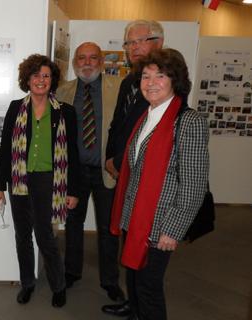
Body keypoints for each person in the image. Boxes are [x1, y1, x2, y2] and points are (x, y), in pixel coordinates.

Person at [109, 48, 209, 320]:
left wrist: (173, 230)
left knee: (148, 288)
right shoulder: (147, 116)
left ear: (175, 81)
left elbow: (193, 183)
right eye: (145, 76)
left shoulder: (188, 122)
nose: (150, 82)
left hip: (160, 223)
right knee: (133, 282)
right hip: (136, 219)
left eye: (160, 75)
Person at [0, 54, 80, 308]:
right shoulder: (15, 108)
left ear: (52, 80)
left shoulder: (66, 112)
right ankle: (27, 283)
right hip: (19, 179)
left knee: (45, 237)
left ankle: (58, 285)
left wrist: (72, 191)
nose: (40, 80)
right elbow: (5, 151)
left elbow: (72, 155)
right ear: (27, 79)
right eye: (35, 75)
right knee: (22, 236)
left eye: (46, 76)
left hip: (50, 181)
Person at [102, 20, 165, 318]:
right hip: (124, 173)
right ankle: (133, 302)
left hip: (149, 182)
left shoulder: (166, 82)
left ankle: (143, 307)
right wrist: (111, 156)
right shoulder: (129, 81)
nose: (134, 47)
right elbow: (118, 124)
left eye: (142, 40)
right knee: (128, 239)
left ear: (159, 42)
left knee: (145, 249)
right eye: (130, 43)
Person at [56, 42, 125, 302]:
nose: (87, 63)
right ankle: (71, 272)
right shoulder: (63, 91)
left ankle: (110, 281)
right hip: (74, 173)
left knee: (108, 228)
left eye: (93, 58)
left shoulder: (118, 88)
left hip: (105, 171)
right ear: (75, 62)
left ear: (102, 62)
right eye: (82, 58)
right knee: (73, 223)